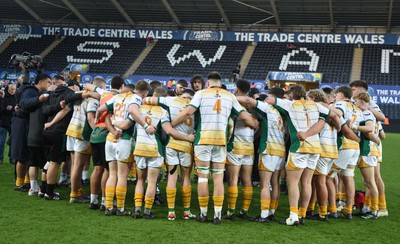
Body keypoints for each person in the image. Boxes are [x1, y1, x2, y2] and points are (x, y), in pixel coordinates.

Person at [171, 72, 259, 224]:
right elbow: (245, 117)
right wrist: (255, 124)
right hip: (220, 141)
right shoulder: (229, 96)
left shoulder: (201, 94)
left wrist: (171, 126)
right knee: (218, 179)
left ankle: (204, 213)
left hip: (203, 140)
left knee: (203, 178)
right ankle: (217, 214)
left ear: (207, 83)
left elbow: (187, 112)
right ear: (220, 82)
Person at [265, 85, 341, 226]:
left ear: (292, 94)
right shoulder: (316, 105)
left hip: (299, 147)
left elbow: (270, 100)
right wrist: (339, 127)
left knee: (293, 182)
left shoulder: (290, 104)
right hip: (315, 148)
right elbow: (334, 116)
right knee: (306, 183)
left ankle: (293, 216)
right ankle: (302, 214)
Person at [143, 88, 197, 220]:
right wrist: (189, 138)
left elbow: (146, 100)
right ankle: (186, 211)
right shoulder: (196, 109)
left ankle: (171, 212)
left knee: (172, 178)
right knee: (185, 178)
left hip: (171, 145)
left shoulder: (169, 105)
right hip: (186, 147)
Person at [237, 87, 286, 223]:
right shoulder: (283, 112)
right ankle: (271, 212)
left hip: (269, 149)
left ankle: (263, 215)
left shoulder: (269, 108)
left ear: (272, 97)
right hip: (280, 150)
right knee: (275, 184)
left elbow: (247, 100)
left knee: (265, 184)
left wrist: (228, 97)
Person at [86, 76, 125, 210]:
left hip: (95, 134)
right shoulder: (119, 97)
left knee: (97, 168)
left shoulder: (104, 93)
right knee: (108, 170)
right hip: (105, 133)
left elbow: (88, 84)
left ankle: (93, 200)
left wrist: (88, 93)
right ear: (122, 86)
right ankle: (104, 201)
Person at [222, 79, 256, 220]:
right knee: (247, 180)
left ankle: (231, 211)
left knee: (233, 179)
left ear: (236, 89)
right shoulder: (255, 106)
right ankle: (244, 211)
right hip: (250, 146)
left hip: (236, 145)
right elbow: (255, 124)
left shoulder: (232, 103)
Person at [332, 85, 364, 219]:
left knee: (328, 175)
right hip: (355, 146)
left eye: (336, 94)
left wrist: (325, 105)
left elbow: (337, 114)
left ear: (341, 95)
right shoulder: (357, 109)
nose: (335, 97)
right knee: (348, 176)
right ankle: (348, 209)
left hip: (344, 144)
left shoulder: (340, 104)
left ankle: (331, 207)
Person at [19, 74, 51, 196]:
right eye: (48, 82)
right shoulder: (44, 104)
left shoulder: (32, 104)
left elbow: (23, 106)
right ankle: (44, 189)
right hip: (41, 137)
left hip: (31, 136)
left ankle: (33, 188)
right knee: (46, 163)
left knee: (33, 163)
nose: (49, 85)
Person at [353, 92, 381, 219]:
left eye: (356, 101)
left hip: (368, 150)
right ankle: (368, 208)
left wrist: (355, 126)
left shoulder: (367, 113)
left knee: (370, 182)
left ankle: (374, 210)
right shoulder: (365, 113)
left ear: (362, 102)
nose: (354, 103)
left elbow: (369, 128)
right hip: (368, 150)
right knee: (368, 182)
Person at [0, 84, 16, 164]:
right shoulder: (2, 97)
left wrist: (14, 108)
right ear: (8, 89)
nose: (13, 91)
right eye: (11, 89)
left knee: (13, 142)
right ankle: (0, 158)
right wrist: (5, 108)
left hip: (13, 122)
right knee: (1, 142)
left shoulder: (16, 97)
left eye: (14, 89)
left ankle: (12, 158)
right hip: (3, 123)